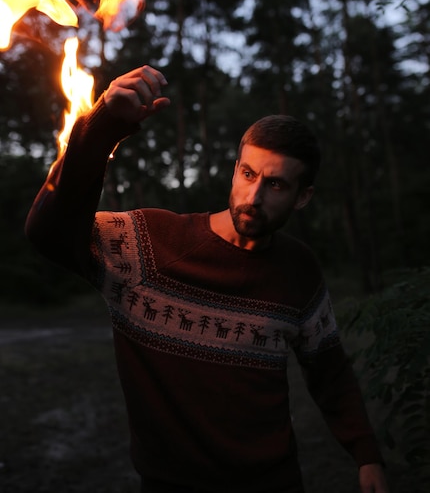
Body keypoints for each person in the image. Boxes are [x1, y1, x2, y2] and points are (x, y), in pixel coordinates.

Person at [25, 65, 389, 493]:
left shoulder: (299, 270)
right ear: (235, 170)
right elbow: (47, 234)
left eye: (275, 185)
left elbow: (328, 370)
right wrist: (105, 125)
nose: (253, 197)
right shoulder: (147, 246)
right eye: (249, 175)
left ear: (302, 196)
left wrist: (366, 456)